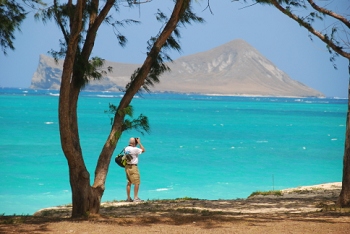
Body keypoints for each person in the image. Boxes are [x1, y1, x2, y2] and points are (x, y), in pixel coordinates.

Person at [124, 137, 145, 202]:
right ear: (134, 143)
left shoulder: (126, 148)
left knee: (129, 182)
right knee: (137, 182)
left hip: (127, 166)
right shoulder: (135, 149)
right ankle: (135, 197)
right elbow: (143, 150)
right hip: (133, 167)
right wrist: (139, 143)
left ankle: (128, 198)